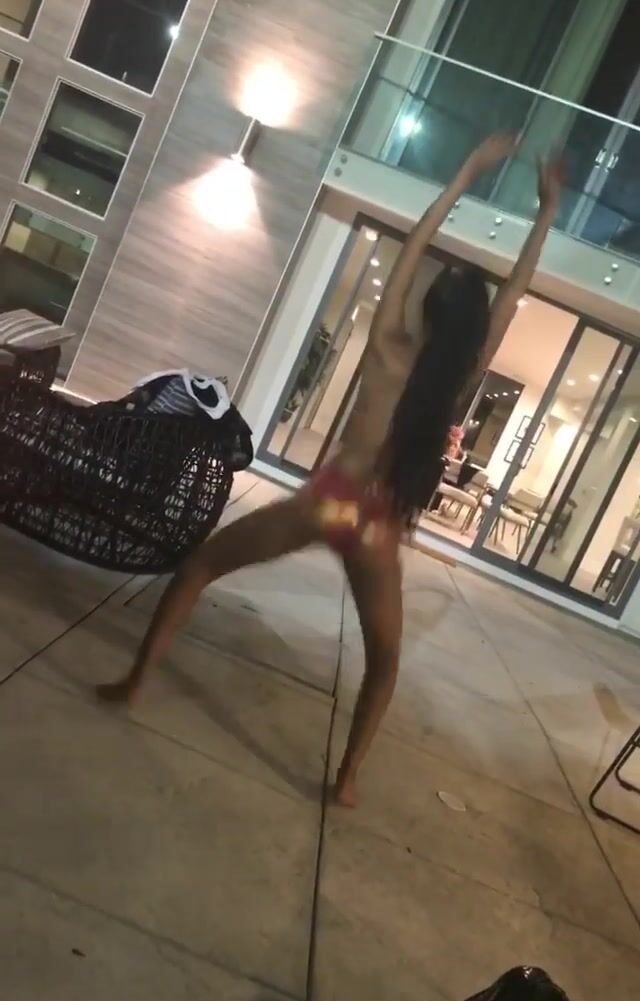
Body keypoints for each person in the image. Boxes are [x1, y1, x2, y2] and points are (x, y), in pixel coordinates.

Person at [97, 134, 562, 807]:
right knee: (385, 663)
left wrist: (468, 169)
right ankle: (346, 781)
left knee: (198, 568)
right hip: (376, 525)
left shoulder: (389, 343)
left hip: (331, 499)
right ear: (472, 334)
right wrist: (546, 212)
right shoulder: (459, 383)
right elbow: (514, 295)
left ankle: (136, 681)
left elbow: (415, 244)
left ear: (428, 308)